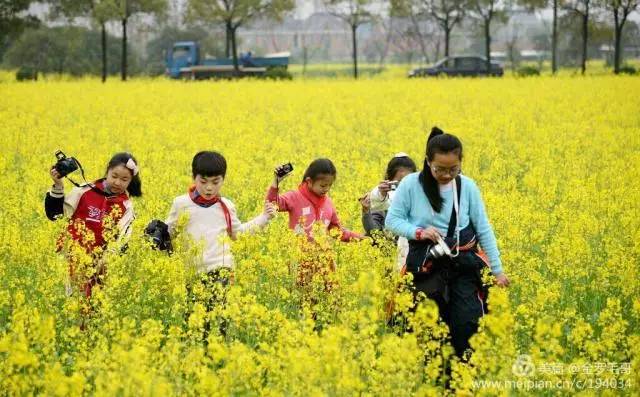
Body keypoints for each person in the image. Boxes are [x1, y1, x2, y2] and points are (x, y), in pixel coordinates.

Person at [385, 127, 510, 358]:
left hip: (462, 263)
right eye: (439, 169)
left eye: (454, 169)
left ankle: (462, 381)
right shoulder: (411, 185)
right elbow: (392, 221)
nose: (446, 174)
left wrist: (497, 270)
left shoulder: (467, 187)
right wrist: (419, 232)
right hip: (427, 265)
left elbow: (483, 229)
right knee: (431, 328)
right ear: (427, 162)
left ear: (461, 162)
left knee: (467, 325)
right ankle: (437, 378)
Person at [164, 151, 276, 335]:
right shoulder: (181, 204)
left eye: (215, 182)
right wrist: (157, 234)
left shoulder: (226, 206)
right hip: (192, 272)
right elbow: (170, 233)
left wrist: (264, 217)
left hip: (221, 269)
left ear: (223, 179)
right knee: (195, 324)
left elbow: (238, 234)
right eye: (203, 181)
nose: (209, 188)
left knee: (220, 321)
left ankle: (218, 357)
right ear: (194, 178)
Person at [45, 152, 142, 299]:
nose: (117, 182)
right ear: (107, 171)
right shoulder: (85, 190)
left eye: (124, 179)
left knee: (88, 312)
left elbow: (122, 241)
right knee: (61, 305)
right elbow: (55, 215)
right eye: (114, 176)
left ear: (130, 181)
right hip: (67, 260)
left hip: (97, 270)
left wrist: (102, 263)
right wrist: (58, 185)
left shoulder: (126, 206)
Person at [266, 158, 363, 289]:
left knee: (330, 296)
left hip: (324, 259)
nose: (326, 189)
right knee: (302, 298)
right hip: (300, 259)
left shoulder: (328, 204)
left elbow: (337, 231)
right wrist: (275, 182)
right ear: (309, 181)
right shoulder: (295, 197)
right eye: (323, 185)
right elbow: (272, 204)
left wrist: (360, 238)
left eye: (329, 185)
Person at [360, 153, 417, 269]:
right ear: (389, 181)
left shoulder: (419, 200)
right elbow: (373, 232)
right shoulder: (383, 201)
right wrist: (366, 211)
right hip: (387, 262)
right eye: (399, 182)